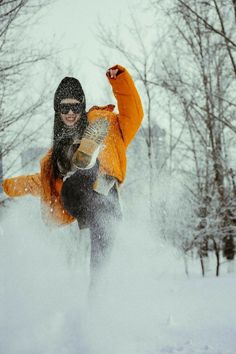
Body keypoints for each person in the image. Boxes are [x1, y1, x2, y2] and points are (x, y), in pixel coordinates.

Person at [2, 64, 144, 281]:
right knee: (78, 179)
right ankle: (83, 160)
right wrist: (5, 187)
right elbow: (37, 182)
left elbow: (134, 114)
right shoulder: (53, 158)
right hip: (78, 198)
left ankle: (97, 296)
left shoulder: (106, 122)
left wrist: (119, 80)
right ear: (57, 111)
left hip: (105, 196)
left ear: (82, 107)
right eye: (64, 108)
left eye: (75, 108)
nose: (70, 113)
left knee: (101, 263)